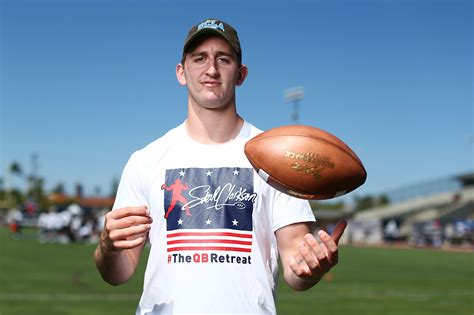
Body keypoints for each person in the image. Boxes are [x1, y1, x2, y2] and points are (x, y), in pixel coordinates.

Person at [94, 18, 347, 314]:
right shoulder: (147, 159)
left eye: (223, 59)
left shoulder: (279, 158)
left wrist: (310, 267)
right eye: (199, 58)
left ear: (240, 74)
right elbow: (118, 272)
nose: (211, 69)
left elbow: (295, 267)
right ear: (181, 72)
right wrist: (107, 247)